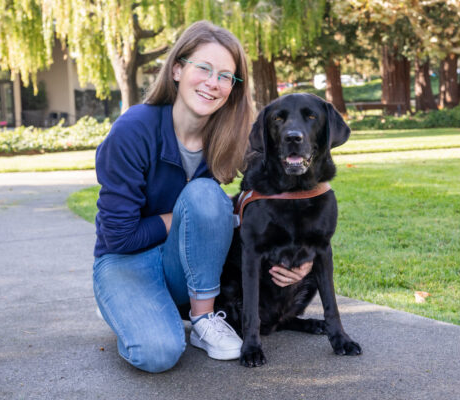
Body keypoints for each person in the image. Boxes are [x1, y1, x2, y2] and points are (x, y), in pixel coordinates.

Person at [93, 20, 311, 374]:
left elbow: (280, 195)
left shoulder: (234, 135)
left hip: (187, 266)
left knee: (207, 197)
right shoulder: (133, 130)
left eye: (226, 76)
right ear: (177, 69)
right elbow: (119, 236)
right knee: (157, 354)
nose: (214, 83)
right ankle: (121, 305)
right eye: (204, 69)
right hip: (125, 261)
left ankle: (203, 318)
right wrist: (182, 218)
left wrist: (304, 255)